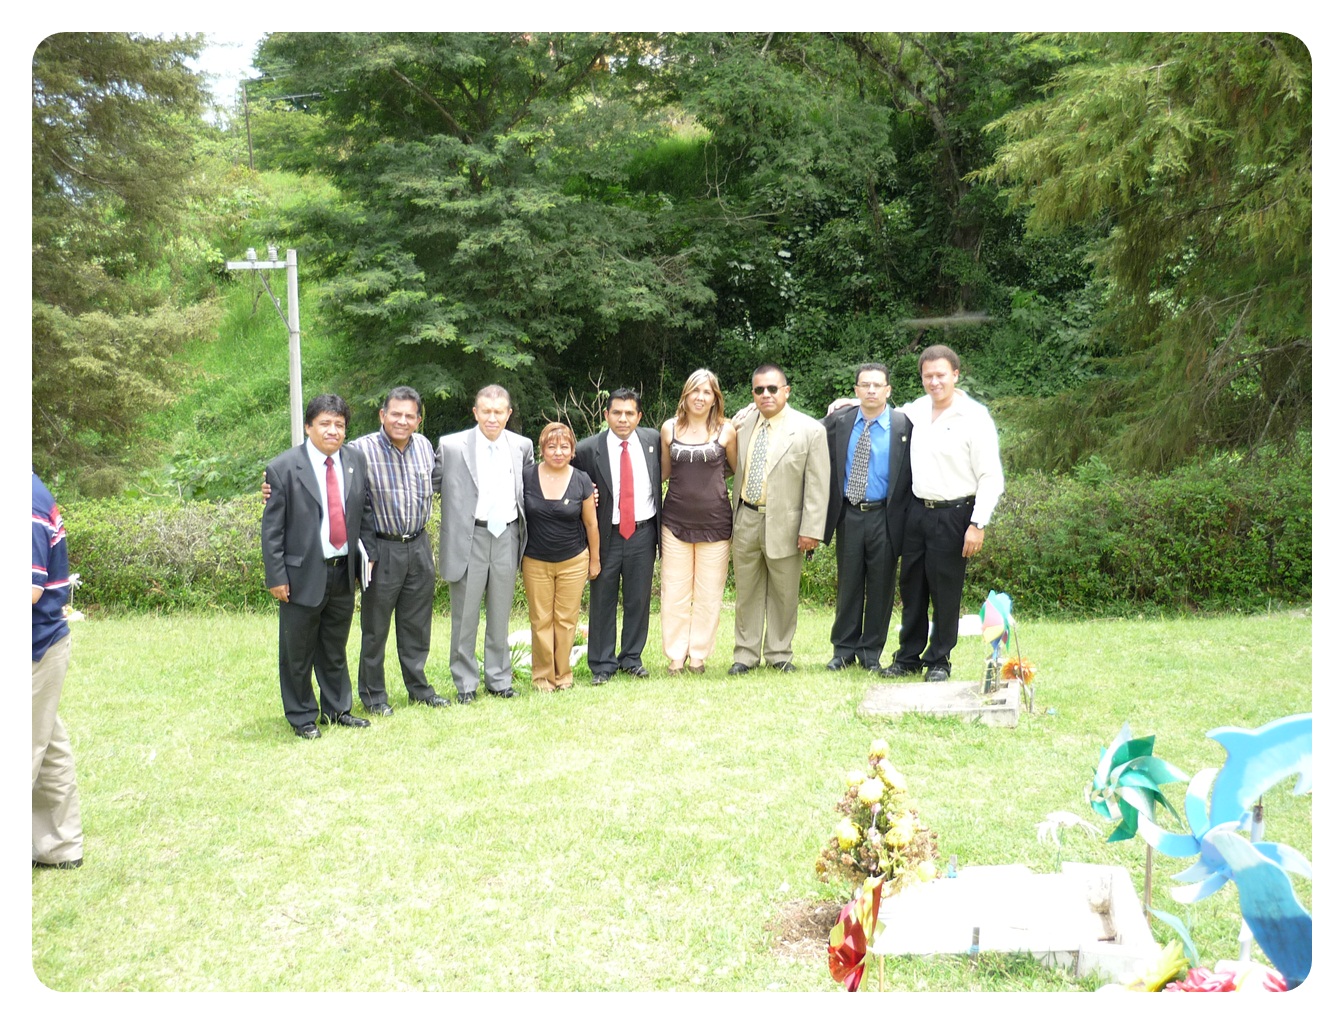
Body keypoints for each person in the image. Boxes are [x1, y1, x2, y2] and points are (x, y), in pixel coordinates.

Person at [883, 345, 1004, 681]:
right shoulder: (917, 410)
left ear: (955, 375)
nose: (934, 382)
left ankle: (939, 660)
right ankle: (907, 657)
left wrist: (977, 523)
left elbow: (990, 476)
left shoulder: (975, 418)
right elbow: (882, 412)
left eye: (941, 375)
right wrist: (846, 403)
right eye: (928, 376)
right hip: (917, 512)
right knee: (912, 588)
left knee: (945, 591)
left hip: (955, 515)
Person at [261, 394, 377, 739]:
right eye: (325, 423)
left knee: (334, 646)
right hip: (300, 575)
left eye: (339, 424)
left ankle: (338, 709)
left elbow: (364, 510)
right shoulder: (283, 468)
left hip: (343, 570)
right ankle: (302, 716)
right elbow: (272, 530)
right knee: (297, 651)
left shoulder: (355, 460)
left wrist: (368, 553)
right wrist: (276, 576)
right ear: (308, 427)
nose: (333, 431)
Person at [347, 387, 451, 714]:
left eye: (409, 416)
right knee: (375, 628)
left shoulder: (424, 447)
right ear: (382, 415)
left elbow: (445, 483)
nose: (402, 421)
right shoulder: (360, 450)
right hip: (381, 549)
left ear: (418, 420)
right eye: (395, 414)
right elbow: (327, 477)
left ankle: (419, 689)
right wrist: (274, 484)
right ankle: (374, 696)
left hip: (419, 545)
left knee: (417, 625)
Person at [728, 363, 829, 674]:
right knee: (746, 593)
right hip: (746, 518)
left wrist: (811, 529)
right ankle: (745, 655)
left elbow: (818, 485)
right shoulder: (741, 426)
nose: (766, 394)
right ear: (753, 394)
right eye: (759, 389)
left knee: (784, 594)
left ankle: (779, 653)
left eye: (773, 388)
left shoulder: (810, 430)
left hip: (787, 523)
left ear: (787, 391)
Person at [436, 384, 534, 702]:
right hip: (470, 536)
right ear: (475, 412)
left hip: (507, 535)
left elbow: (531, 488)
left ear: (508, 413)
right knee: (465, 617)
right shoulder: (451, 446)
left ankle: (499, 679)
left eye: (499, 412)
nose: (492, 418)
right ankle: (466, 683)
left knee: (500, 613)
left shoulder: (522, 446)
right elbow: (429, 485)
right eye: (486, 411)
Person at [821, 363, 913, 672]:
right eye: (865, 385)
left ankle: (870, 652)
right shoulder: (841, 421)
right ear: (856, 390)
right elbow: (803, 432)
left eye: (877, 385)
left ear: (888, 390)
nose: (871, 390)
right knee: (848, 584)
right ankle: (843, 650)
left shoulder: (904, 426)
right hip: (849, 514)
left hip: (885, 516)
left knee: (881, 586)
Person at [572, 389, 661, 684]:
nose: (623, 419)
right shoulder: (588, 449)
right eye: (617, 413)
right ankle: (602, 664)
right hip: (605, 534)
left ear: (639, 416)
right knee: (602, 599)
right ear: (606, 415)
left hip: (642, 532)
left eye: (629, 413)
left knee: (638, 598)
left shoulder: (653, 442)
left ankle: (631, 658)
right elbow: (571, 484)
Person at [658, 369, 737, 674]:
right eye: (695, 391)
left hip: (716, 523)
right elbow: (664, 472)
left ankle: (698, 656)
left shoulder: (727, 431)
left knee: (709, 594)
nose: (700, 397)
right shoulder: (669, 429)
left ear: (715, 398)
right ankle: (676, 656)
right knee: (674, 593)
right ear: (686, 395)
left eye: (707, 392)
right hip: (675, 522)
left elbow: (734, 469)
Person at [520, 422, 601, 691]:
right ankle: (543, 677)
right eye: (551, 446)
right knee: (540, 620)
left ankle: (563, 675)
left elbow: (591, 524)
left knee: (566, 621)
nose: (558, 452)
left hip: (573, 560)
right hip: (535, 561)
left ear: (572, 450)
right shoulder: (527, 476)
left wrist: (594, 560)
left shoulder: (582, 480)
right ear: (541, 449)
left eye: (564, 446)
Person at [32, 472, 84, 868]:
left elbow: (28, 590)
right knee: (46, 743)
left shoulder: (26, 503)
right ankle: (59, 846)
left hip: (34, 647)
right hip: (42, 643)